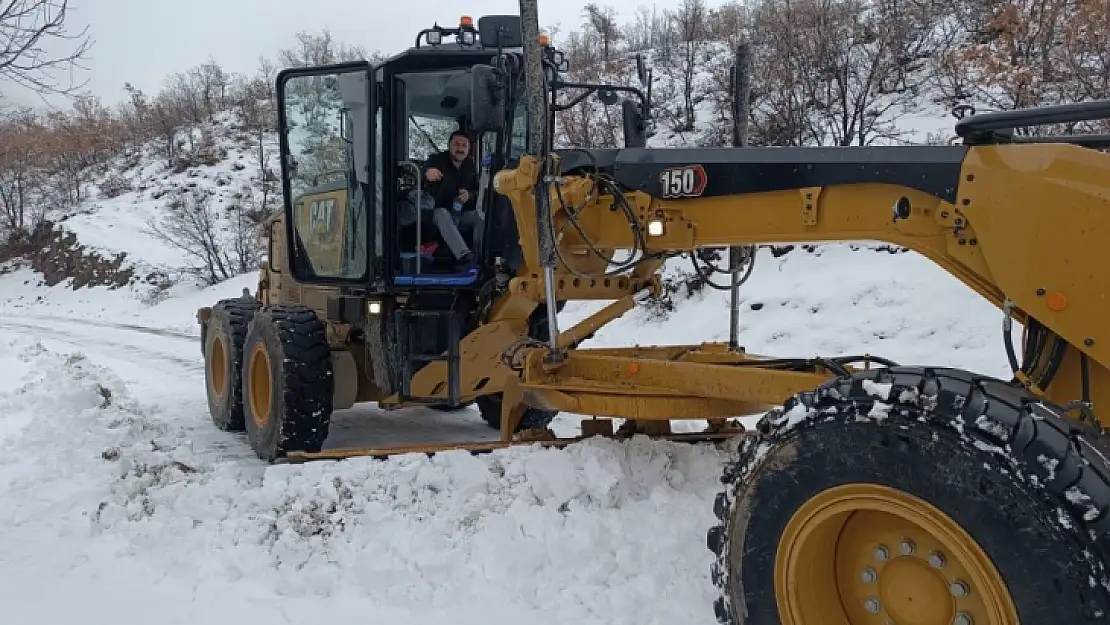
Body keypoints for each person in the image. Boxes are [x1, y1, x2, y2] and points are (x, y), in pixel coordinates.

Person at [421, 130, 482, 267]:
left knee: (480, 216)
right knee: (442, 213)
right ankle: (464, 256)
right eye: (456, 144)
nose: (460, 149)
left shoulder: (471, 166)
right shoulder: (436, 159)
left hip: (460, 214)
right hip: (437, 214)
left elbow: (477, 190)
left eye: (464, 145)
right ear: (449, 146)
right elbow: (416, 174)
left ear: (469, 148)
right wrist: (426, 173)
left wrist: (470, 195)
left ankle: (481, 256)